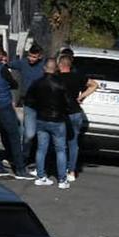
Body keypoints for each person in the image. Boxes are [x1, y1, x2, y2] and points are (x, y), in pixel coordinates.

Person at [0, 44, 30, 180]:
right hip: (4, 105)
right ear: (0, 56)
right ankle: (20, 169)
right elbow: (14, 84)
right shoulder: (2, 69)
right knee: (13, 136)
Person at [24, 58, 71, 189]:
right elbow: (68, 103)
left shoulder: (37, 83)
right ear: (56, 68)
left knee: (41, 149)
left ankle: (40, 176)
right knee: (61, 150)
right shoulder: (61, 84)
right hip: (58, 120)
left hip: (41, 118)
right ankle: (62, 180)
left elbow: (29, 101)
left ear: (44, 68)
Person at [56, 53, 97, 182]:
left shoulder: (56, 78)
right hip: (76, 112)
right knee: (73, 143)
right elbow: (95, 85)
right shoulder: (78, 76)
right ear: (70, 65)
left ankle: (60, 171)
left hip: (62, 113)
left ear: (60, 65)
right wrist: (81, 96)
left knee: (60, 143)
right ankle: (72, 171)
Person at [12, 43, 47, 167]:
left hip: (42, 104)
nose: (31, 59)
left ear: (40, 57)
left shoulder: (44, 66)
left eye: (34, 57)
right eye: (30, 56)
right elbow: (8, 64)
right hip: (28, 103)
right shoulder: (22, 63)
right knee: (28, 133)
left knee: (40, 133)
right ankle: (24, 156)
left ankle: (36, 158)